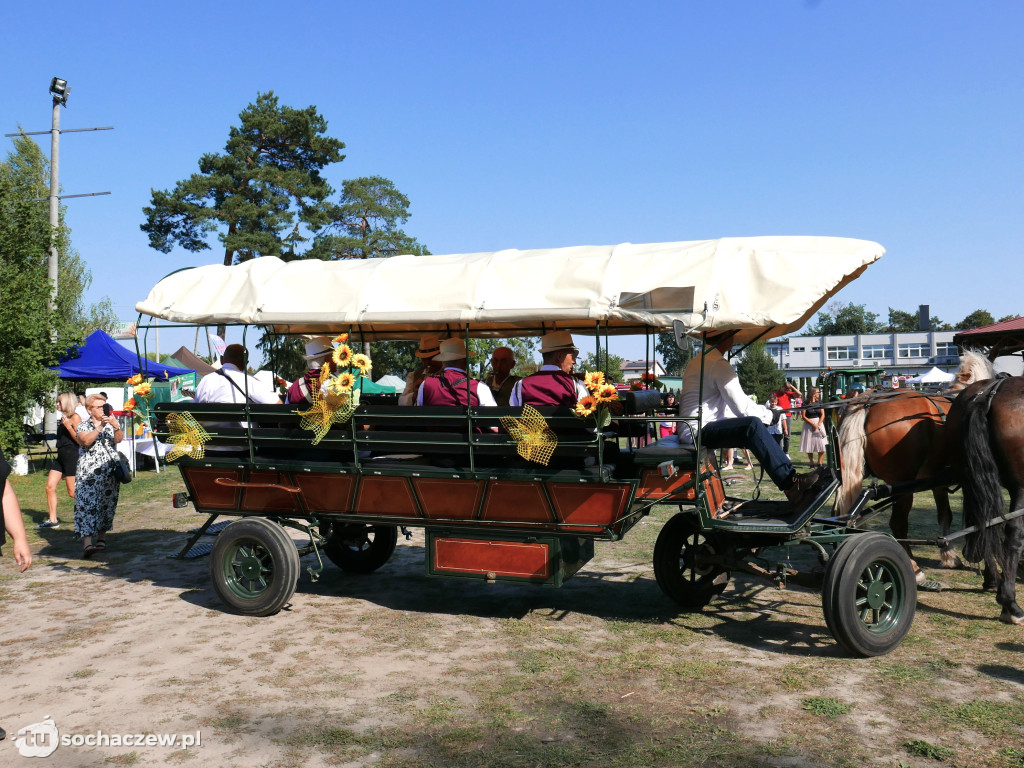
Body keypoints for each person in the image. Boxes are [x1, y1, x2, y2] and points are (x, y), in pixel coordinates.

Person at [678, 332, 820, 504]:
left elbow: (730, 409)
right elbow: (742, 407)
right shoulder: (716, 363)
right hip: (698, 430)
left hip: (695, 428)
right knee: (751, 425)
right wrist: (768, 415)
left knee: (751, 424)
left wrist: (766, 414)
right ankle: (791, 484)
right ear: (726, 337)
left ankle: (791, 482)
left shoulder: (701, 360)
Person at [74, 394, 125, 558]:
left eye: (105, 406)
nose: (103, 409)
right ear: (89, 410)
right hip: (88, 474)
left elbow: (119, 440)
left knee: (106, 504)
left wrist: (116, 427)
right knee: (86, 505)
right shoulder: (83, 425)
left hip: (109, 473)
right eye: (99, 407)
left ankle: (101, 538)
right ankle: (87, 543)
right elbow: (86, 441)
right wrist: (99, 427)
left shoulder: (110, 423)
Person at [509, 331, 589, 406]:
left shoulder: (520, 385)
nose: (574, 361)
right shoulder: (577, 385)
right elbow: (586, 416)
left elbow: (513, 414)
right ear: (560, 356)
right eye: (572, 356)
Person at [40, 393, 82, 529]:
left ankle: (92, 511)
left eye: (59, 402)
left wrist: (69, 427)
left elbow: (80, 441)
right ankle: (53, 520)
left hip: (71, 456)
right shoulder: (64, 417)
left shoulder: (75, 417)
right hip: (61, 456)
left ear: (67, 403)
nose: (57, 404)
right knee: (49, 487)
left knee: (72, 493)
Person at [417, 339, 497, 407]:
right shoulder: (480, 387)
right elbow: (493, 423)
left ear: (442, 361)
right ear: (465, 361)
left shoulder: (425, 385)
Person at [195, 344, 281, 406]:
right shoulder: (249, 382)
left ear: (221, 359)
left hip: (207, 431)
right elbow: (278, 405)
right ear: (245, 363)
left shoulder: (205, 381)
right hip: (241, 431)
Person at [288, 337, 334, 405]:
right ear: (327, 360)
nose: (336, 361)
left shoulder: (294, 387)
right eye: (333, 357)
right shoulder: (333, 384)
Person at [399, 336, 444, 406]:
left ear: (440, 356)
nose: (426, 363)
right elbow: (401, 402)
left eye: (430, 358)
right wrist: (415, 394)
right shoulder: (413, 375)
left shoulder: (449, 374)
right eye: (423, 359)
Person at [800, 387, 828, 467]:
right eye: (818, 392)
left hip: (819, 424)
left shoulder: (819, 403)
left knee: (822, 444)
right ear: (813, 393)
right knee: (809, 444)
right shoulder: (805, 404)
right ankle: (811, 461)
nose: (819, 393)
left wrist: (818, 424)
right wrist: (813, 424)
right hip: (809, 424)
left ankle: (820, 462)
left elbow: (823, 414)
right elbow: (803, 416)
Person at [773, 379, 800, 457]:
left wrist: (791, 386)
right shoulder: (776, 394)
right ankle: (780, 452)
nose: (786, 390)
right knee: (779, 434)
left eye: (787, 389)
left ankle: (786, 452)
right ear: (782, 387)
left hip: (787, 416)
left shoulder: (788, 393)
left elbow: (799, 394)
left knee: (787, 435)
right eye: (785, 389)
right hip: (779, 416)